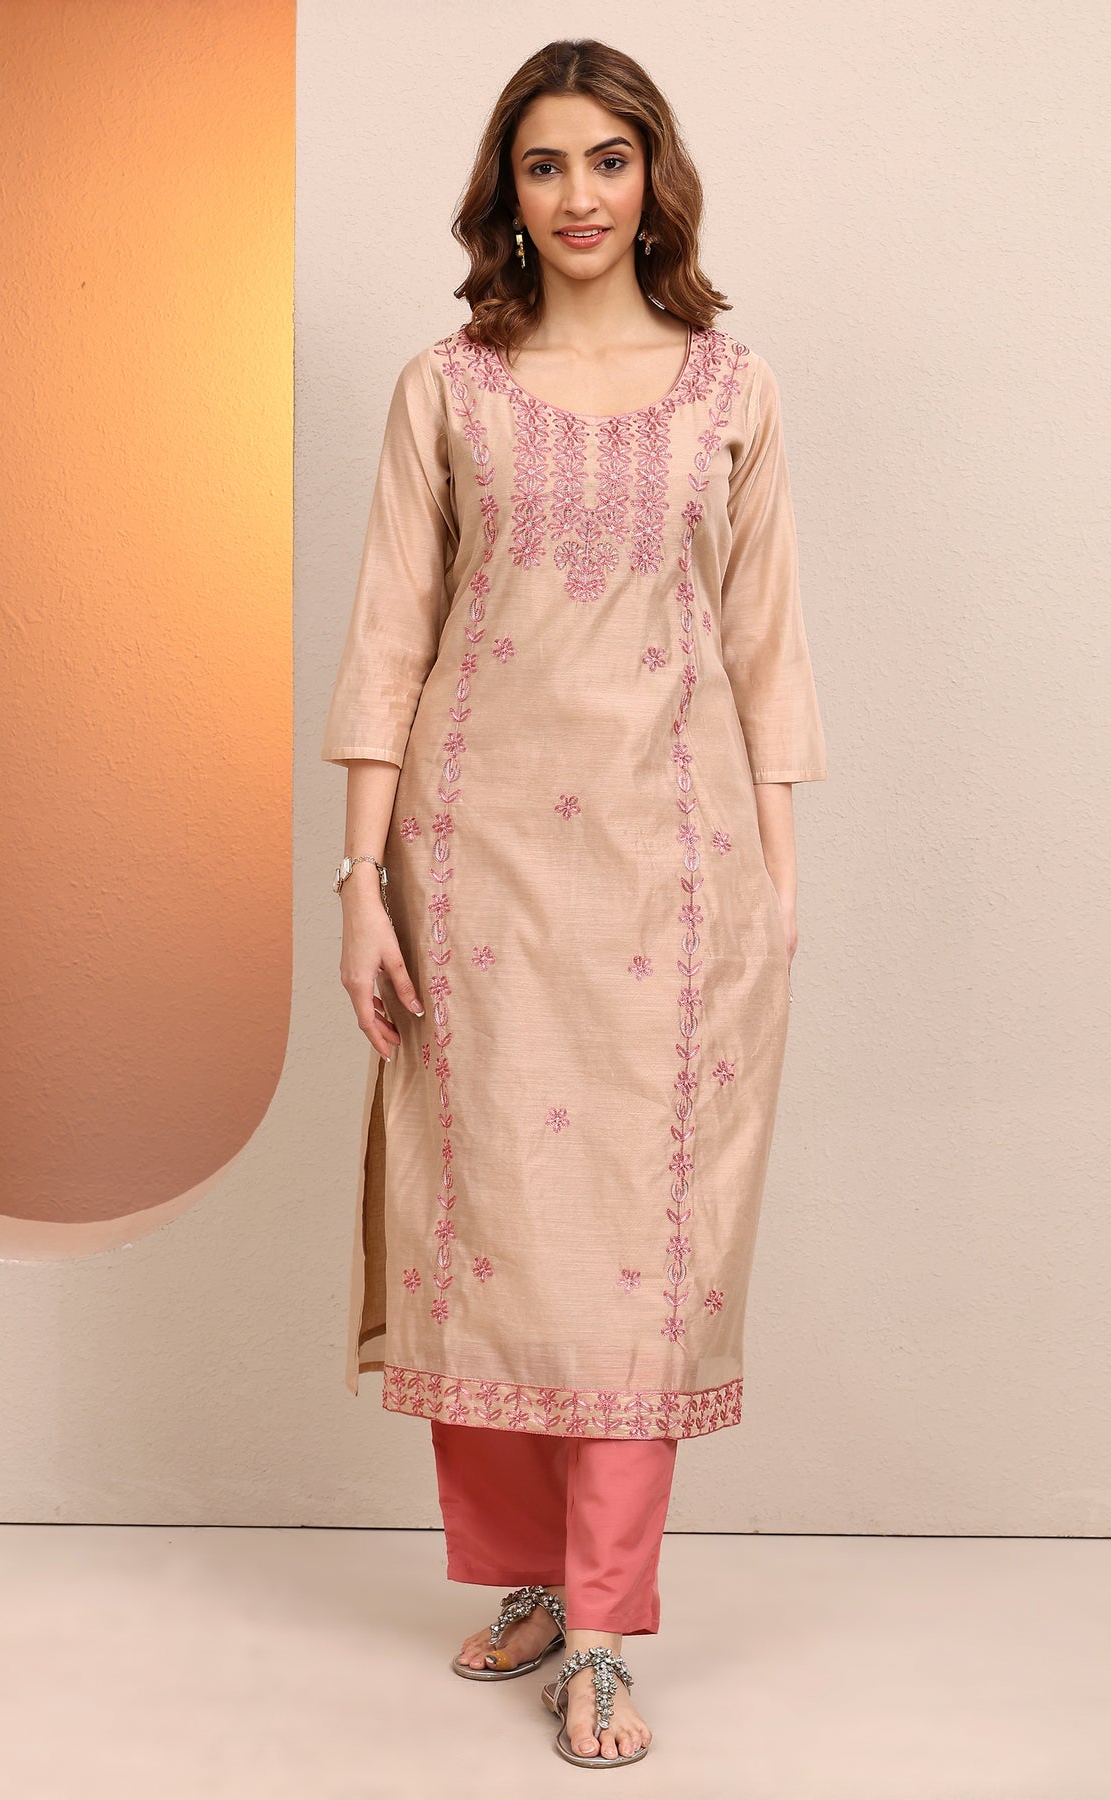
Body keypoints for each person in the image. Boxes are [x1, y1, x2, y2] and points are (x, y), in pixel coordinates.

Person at [320, 37, 828, 1770]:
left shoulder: (732, 390)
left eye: (607, 159)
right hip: (473, 875)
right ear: (507, 194)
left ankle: (605, 1631)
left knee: (638, 1255)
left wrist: (777, 886)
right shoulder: (445, 389)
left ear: (652, 178)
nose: (579, 195)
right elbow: (387, 638)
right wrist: (358, 882)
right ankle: (529, 1581)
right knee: (484, 1228)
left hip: (676, 883)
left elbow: (764, 645)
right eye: (544, 164)